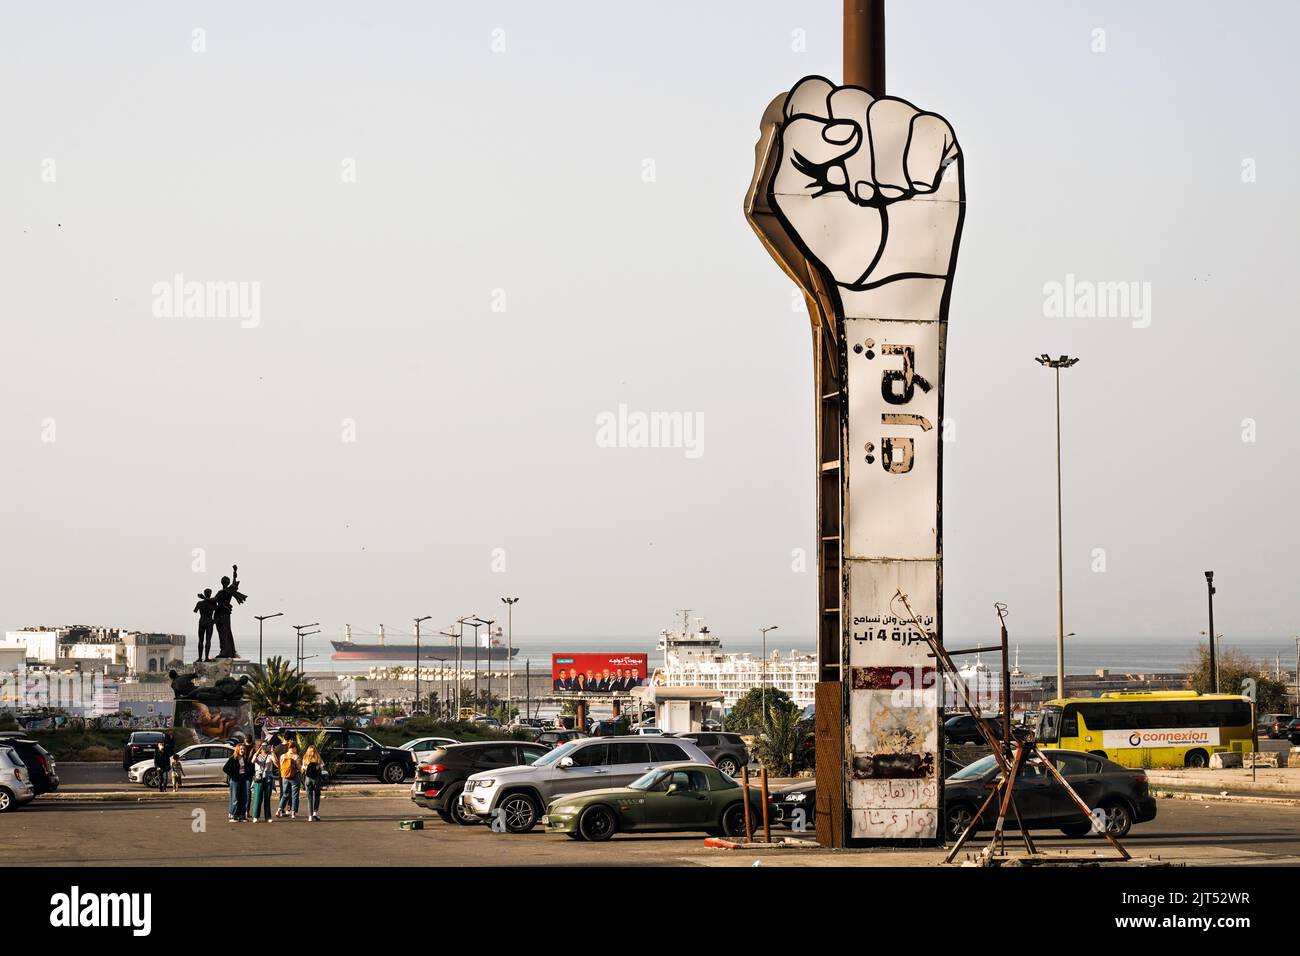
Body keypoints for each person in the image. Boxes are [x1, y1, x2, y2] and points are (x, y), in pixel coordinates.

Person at [251, 742, 276, 823]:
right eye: (263, 746)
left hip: (268, 777)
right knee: (257, 797)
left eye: (266, 746)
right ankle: (255, 816)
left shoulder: (270, 756)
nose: (265, 748)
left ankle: (268, 816)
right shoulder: (257, 755)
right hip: (259, 777)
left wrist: (272, 751)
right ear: (260, 747)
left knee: (267, 798)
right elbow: (253, 761)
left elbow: (275, 760)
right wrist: (258, 751)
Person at [224, 744, 249, 822]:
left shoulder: (244, 759)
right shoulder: (233, 758)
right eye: (241, 749)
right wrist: (233, 775)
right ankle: (233, 815)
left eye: (244, 749)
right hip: (235, 781)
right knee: (235, 799)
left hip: (243, 780)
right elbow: (225, 768)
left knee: (243, 798)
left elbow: (246, 769)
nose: (243, 750)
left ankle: (241, 816)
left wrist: (246, 776)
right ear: (238, 750)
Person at [192, 589, 218, 662]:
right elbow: (218, 612)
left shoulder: (199, 603)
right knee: (208, 640)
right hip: (210, 622)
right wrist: (214, 621)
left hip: (202, 622)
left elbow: (195, 610)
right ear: (210, 594)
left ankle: (200, 658)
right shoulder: (213, 604)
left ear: (204, 594)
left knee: (200, 640)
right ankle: (206, 658)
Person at [277, 741, 301, 819]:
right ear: (293, 748)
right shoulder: (296, 756)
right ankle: (293, 813)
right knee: (295, 795)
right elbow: (299, 767)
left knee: (285, 794)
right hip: (294, 777)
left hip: (285, 777)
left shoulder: (283, 756)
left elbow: (280, 766)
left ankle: (279, 809)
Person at [302, 745, 324, 822]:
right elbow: (322, 766)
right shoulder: (318, 758)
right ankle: (315, 812)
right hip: (316, 779)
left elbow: (303, 768)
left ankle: (310, 816)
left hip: (308, 780)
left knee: (309, 798)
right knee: (317, 795)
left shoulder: (305, 758)